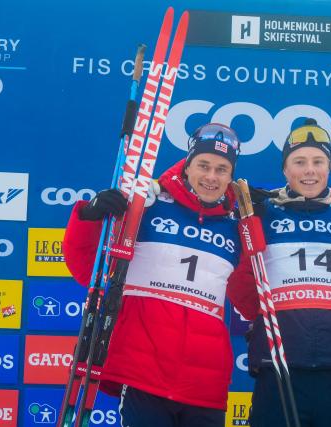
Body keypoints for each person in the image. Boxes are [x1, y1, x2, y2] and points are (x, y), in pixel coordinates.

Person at [62, 123, 254, 427]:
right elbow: (87, 269)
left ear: (231, 177)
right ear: (188, 166)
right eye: (203, 166)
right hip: (143, 373)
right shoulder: (148, 206)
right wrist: (90, 217)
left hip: (205, 384)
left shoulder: (235, 226)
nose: (211, 177)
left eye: (222, 169)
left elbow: (252, 302)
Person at [231, 118, 331, 427]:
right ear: (285, 170)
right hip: (278, 369)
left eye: (319, 161)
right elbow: (242, 290)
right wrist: (250, 226)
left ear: (329, 168)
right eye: (299, 162)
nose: (309, 170)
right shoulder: (265, 215)